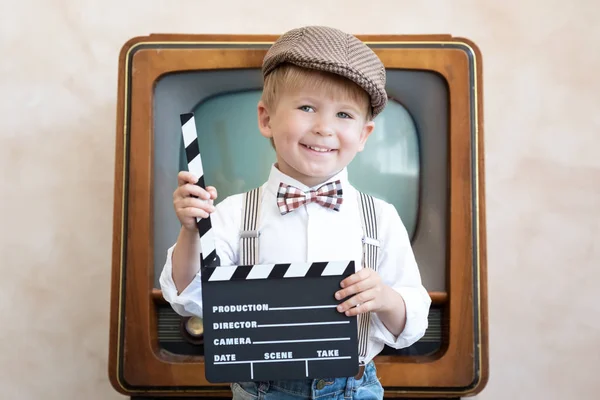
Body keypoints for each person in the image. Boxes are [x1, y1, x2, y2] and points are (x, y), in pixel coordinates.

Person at [159, 25, 431, 400]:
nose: (324, 128)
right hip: (261, 390)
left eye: (344, 115)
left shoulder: (380, 218)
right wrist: (191, 231)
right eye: (306, 108)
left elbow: (412, 322)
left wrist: (384, 297)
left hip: (353, 388)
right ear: (266, 118)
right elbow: (189, 297)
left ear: (365, 134)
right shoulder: (233, 215)